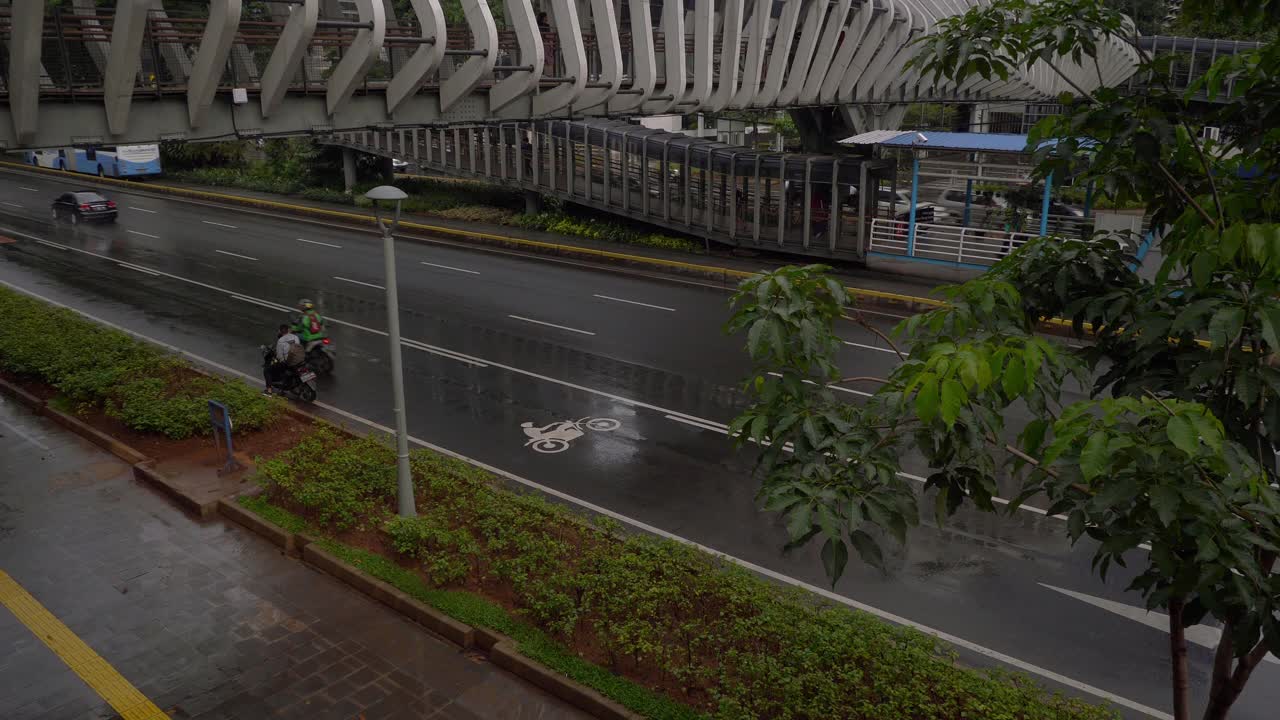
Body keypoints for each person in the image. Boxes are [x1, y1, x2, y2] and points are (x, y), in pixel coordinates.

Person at [264, 324, 304, 395]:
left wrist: (280, 360)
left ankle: (269, 390)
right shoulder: (295, 337)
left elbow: (279, 356)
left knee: (267, 370)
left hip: (289, 362)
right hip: (300, 359)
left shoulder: (281, 341)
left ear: (280, 331)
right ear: (288, 330)